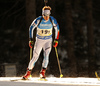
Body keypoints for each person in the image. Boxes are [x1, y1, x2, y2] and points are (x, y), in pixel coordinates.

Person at [22, 6, 60, 80]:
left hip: (48, 41)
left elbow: (57, 29)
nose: (46, 18)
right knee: (35, 57)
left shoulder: (52, 20)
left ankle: (42, 73)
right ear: (42, 15)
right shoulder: (38, 20)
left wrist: (56, 39)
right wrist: (30, 39)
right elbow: (31, 28)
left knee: (46, 56)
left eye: (47, 16)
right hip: (39, 40)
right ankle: (28, 73)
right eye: (45, 16)